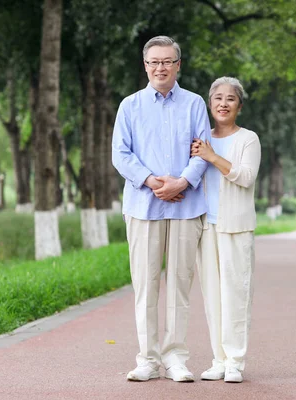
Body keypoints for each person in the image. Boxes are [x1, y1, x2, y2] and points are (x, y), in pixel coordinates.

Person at [112, 35, 211, 383]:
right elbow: (121, 154)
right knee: (146, 284)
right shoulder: (130, 105)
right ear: (145, 65)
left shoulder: (196, 103)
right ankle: (148, 359)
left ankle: (176, 358)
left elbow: (204, 149)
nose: (160, 67)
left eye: (167, 61)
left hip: (187, 206)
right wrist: (154, 182)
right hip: (142, 206)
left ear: (178, 65)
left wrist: (181, 183)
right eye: (154, 61)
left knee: (180, 285)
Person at [190, 77, 261, 383]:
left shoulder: (248, 139)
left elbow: (245, 177)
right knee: (212, 296)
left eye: (230, 99)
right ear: (209, 103)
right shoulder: (200, 138)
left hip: (236, 228)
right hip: (206, 227)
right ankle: (218, 359)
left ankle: (235, 361)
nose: (223, 103)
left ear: (239, 106)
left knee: (236, 294)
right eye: (217, 98)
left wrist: (212, 157)